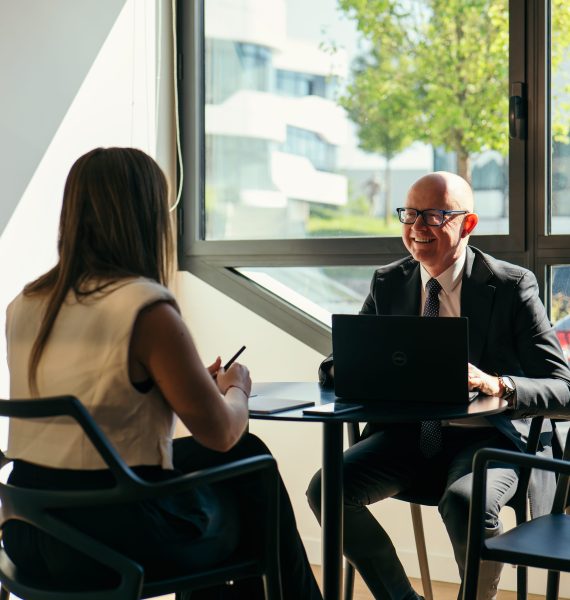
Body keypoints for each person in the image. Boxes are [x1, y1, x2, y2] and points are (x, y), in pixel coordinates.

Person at [4, 147, 322, 600]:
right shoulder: (144, 307)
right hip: (109, 539)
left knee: (224, 469)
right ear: (147, 216)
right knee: (250, 466)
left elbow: (93, 396)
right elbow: (221, 434)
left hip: (29, 529)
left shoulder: (26, 304)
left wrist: (182, 383)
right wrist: (235, 389)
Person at [306, 171, 570, 600]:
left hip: (490, 439)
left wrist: (498, 384)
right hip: (409, 438)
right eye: (409, 214)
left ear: (468, 224)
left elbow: (563, 389)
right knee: (327, 489)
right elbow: (339, 361)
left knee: (465, 502)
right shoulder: (389, 282)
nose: (416, 227)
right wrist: (351, 369)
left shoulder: (510, 286)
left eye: (433, 215)